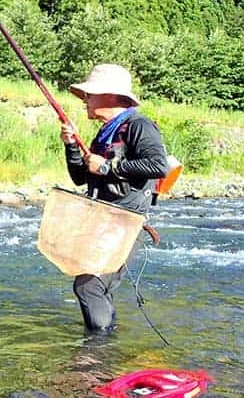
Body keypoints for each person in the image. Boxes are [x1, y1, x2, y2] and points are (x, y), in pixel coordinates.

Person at [59, 64, 168, 333]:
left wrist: (109, 167)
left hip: (125, 224)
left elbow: (157, 165)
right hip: (103, 222)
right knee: (96, 288)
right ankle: (105, 347)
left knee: (89, 285)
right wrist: (72, 146)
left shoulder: (138, 126)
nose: (85, 100)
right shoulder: (105, 133)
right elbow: (80, 177)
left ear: (110, 96)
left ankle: (95, 353)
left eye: (89, 94)